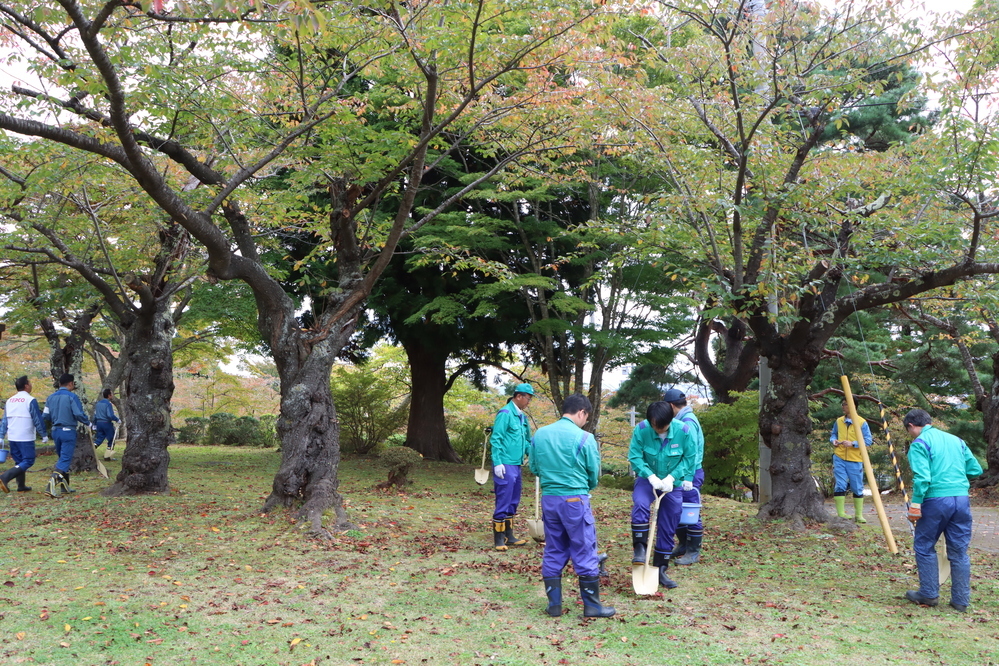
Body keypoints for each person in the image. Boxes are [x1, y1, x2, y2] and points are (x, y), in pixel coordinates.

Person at [529, 394, 614, 618]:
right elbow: (593, 476)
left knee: (554, 548)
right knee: (584, 548)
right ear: (581, 412)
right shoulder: (584, 438)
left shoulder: (540, 434)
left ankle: (554, 605)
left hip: (549, 499)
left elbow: (535, 468)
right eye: (586, 417)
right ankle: (592, 606)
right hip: (575, 499)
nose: (585, 421)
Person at [903, 409, 983, 612]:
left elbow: (922, 478)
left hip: (935, 500)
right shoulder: (957, 440)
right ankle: (960, 601)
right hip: (961, 499)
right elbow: (976, 469)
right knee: (959, 551)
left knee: (924, 545)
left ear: (911, 426)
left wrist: (915, 504)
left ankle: (929, 594)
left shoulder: (919, 444)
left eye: (908, 430)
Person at [629, 400, 697, 589]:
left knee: (669, 523)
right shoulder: (641, 429)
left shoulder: (683, 431)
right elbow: (634, 455)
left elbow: (690, 457)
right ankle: (640, 548)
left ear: (671, 419)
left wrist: (673, 477)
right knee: (641, 504)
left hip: (671, 483)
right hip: (647, 478)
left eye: (662, 426)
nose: (658, 429)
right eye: (654, 425)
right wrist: (649, 475)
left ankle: (660, 569)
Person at [490, 382, 534, 551]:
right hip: (505, 462)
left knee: (514, 500)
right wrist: (498, 461)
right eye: (527, 398)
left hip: (517, 463)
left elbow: (528, 441)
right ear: (518, 396)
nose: (528, 402)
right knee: (504, 498)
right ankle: (499, 538)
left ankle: (510, 535)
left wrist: (534, 457)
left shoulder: (522, 417)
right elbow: (497, 438)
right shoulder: (505, 413)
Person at [663, 388, 705, 565]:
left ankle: (693, 552)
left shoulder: (687, 422)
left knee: (690, 511)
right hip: (680, 473)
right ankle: (683, 545)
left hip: (690, 473)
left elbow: (692, 453)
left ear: (671, 406)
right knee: (677, 509)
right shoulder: (681, 419)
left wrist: (687, 477)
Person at [41, 373, 91, 498]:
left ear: (59, 384)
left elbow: (45, 416)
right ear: (71, 383)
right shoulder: (72, 397)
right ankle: (51, 484)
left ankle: (65, 486)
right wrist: (88, 423)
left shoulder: (50, 398)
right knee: (65, 459)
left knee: (62, 457)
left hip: (55, 431)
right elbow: (78, 414)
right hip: (68, 430)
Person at [0, 376, 48, 493]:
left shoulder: (10, 400)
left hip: (12, 435)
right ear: (26, 385)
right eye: (30, 383)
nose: (31, 385)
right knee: (28, 460)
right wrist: (44, 434)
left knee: (19, 461)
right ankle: (5, 477)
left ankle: (21, 486)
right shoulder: (30, 400)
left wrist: (1, 435)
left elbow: (5, 419)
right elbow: (37, 418)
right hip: (25, 435)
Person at [830, 399, 873, 523]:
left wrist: (853, 443)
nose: (843, 406)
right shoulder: (839, 421)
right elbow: (834, 434)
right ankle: (841, 513)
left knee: (857, 486)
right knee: (840, 484)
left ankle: (858, 515)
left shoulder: (862, 422)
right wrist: (833, 441)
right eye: (842, 404)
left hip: (855, 459)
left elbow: (868, 441)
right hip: (839, 457)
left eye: (845, 404)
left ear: (853, 406)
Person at [92, 388, 120, 460]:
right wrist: (117, 419)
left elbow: (95, 415)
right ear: (109, 395)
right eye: (112, 394)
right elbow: (110, 415)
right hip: (106, 423)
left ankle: (93, 448)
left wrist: (94, 424)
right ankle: (108, 456)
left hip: (99, 423)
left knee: (100, 438)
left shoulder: (98, 403)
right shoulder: (108, 404)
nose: (113, 395)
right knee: (111, 438)